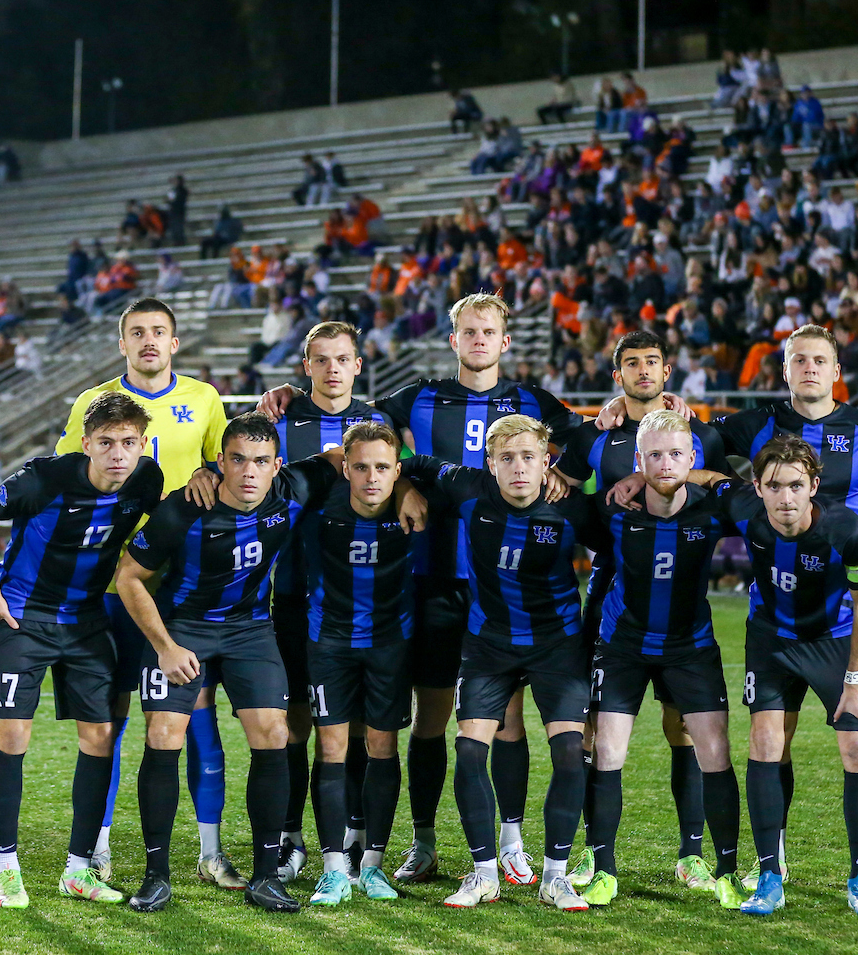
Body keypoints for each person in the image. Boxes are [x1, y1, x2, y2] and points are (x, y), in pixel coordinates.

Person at [257, 293, 583, 886]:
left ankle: (511, 842)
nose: (479, 339)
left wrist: (566, 457)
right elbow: (366, 430)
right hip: (429, 582)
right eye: (468, 330)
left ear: (505, 341)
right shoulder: (415, 397)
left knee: (503, 718)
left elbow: (584, 444)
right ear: (452, 338)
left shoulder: (532, 401)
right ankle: (421, 842)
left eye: (489, 331)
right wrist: (288, 397)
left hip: (502, 592)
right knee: (423, 721)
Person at [600, 324, 858, 898]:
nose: (810, 369)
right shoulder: (759, 429)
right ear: (785, 369)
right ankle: (774, 863)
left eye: (820, 360)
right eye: (799, 360)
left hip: (842, 613)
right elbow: (683, 442)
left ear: (837, 370)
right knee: (772, 739)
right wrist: (632, 439)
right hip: (773, 615)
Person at [185, 321, 408, 888]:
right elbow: (239, 467)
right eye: (321, 359)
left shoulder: (380, 422)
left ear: (359, 364)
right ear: (304, 366)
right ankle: (290, 839)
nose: (332, 369)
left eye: (343, 359)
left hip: (360, 597)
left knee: (356, 728)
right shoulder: (282, 417)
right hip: (289, 595)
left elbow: (404, 472)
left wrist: (412, 489)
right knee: (296, 727)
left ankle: (355, 840)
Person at [116, 413, 345, 912]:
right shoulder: (184, 508)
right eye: (237, 459)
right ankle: (156, 876)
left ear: (276, 466)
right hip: (182, 630)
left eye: (261, 462)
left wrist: (410, 487)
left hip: (249, 630)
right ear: (219, 463)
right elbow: (129, 577)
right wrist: (165, 647)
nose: (248, 472)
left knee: (274, 734)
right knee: (162, 737)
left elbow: (341, 456)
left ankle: (266, 876)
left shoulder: (294, 487)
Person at [54, 298, 232, 887]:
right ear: (122, 343)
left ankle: (211, 852)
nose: (149, 340)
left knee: (193, 716)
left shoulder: (205, 399)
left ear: (175, 343)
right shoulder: (92, 403)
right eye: (137, 333)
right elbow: (65, 483)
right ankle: (96, 847)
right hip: (105, 587)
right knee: (108, 722)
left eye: (159, 331)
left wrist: (210, 470)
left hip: (179, 588)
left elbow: (228, 470)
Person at [402, 414, 604, 910]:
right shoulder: (468, 488)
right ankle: (484, 874)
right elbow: (416, 461)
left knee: (568, 751)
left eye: (529, 457)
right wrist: (406, 484)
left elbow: (629, 546)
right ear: (489, 464)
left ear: (546, 463)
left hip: (557, 644)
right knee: (470, 751)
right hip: (487, 643)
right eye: (506, 458)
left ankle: (555, 877)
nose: (518, 468)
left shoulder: (574, 509)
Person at [0, 392, 163, 909]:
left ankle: (79, 869)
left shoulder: (147, 481)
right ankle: (6, 868)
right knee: (13, 736)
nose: (118, 454)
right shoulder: (46, 478)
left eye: (128, 442)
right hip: (24, 618)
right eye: (106, 443)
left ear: (142, 445)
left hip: (86, 622)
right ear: (87, 444)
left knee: (101, 736)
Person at [552, 332, 723, 892]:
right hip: (613, 588)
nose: (643, 371)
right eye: (632, 363)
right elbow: (560, 489)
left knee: (684, 732)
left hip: (681, 611)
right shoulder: (594, 436)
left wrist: (652, 475)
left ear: (667, 370)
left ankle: (692, 854)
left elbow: (729, 489)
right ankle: (597, 858)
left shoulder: (694, 432)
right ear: (616, 373)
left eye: (652, 362)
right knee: (596, 736)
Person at [712, 435, 858, 918]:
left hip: (837, 641)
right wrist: (646, 478)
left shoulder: (846, 529)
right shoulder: (745, 508)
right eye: (774, 486)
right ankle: (770, 874)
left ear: (813, 485)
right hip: (771, 639)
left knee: (857, 746)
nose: (785, 498)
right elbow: (702, 477)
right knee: (765, 742)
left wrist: (855, 681)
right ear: (758, 487)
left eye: (794, 486)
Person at [582, 410, 748, 909]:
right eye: (654, 454)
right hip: (623, 646)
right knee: (606, 751)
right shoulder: (611, 509)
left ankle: (724, 870)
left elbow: (750, 488)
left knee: (714, 753)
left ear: (693, 458)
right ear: (638, 460)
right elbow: (552, 510)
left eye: (677, 453)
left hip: (690, 648)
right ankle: (601, 867)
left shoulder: (714, 509)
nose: (665, 462)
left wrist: (677, 473)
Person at [293, 422, 420, 905]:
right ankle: (333, 869)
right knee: (331, 749)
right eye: (361, 467)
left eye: (383, 468)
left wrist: (410, 488)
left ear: (397, 472)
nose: (372, 477)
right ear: (344, 468)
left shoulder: (417, 507)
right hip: (328, 644)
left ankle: (372, 866)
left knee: (383, 749)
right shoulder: (316, 508)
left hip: (391, 645)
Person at [166, 175, 189, 246]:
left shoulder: (182, 190)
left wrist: (171, 201)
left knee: (178, 227)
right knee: (174, 227)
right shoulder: (174, 190)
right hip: (174, 211)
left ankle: (180, 241)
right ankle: (176, 241)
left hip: (179, 211)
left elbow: (178, 201)